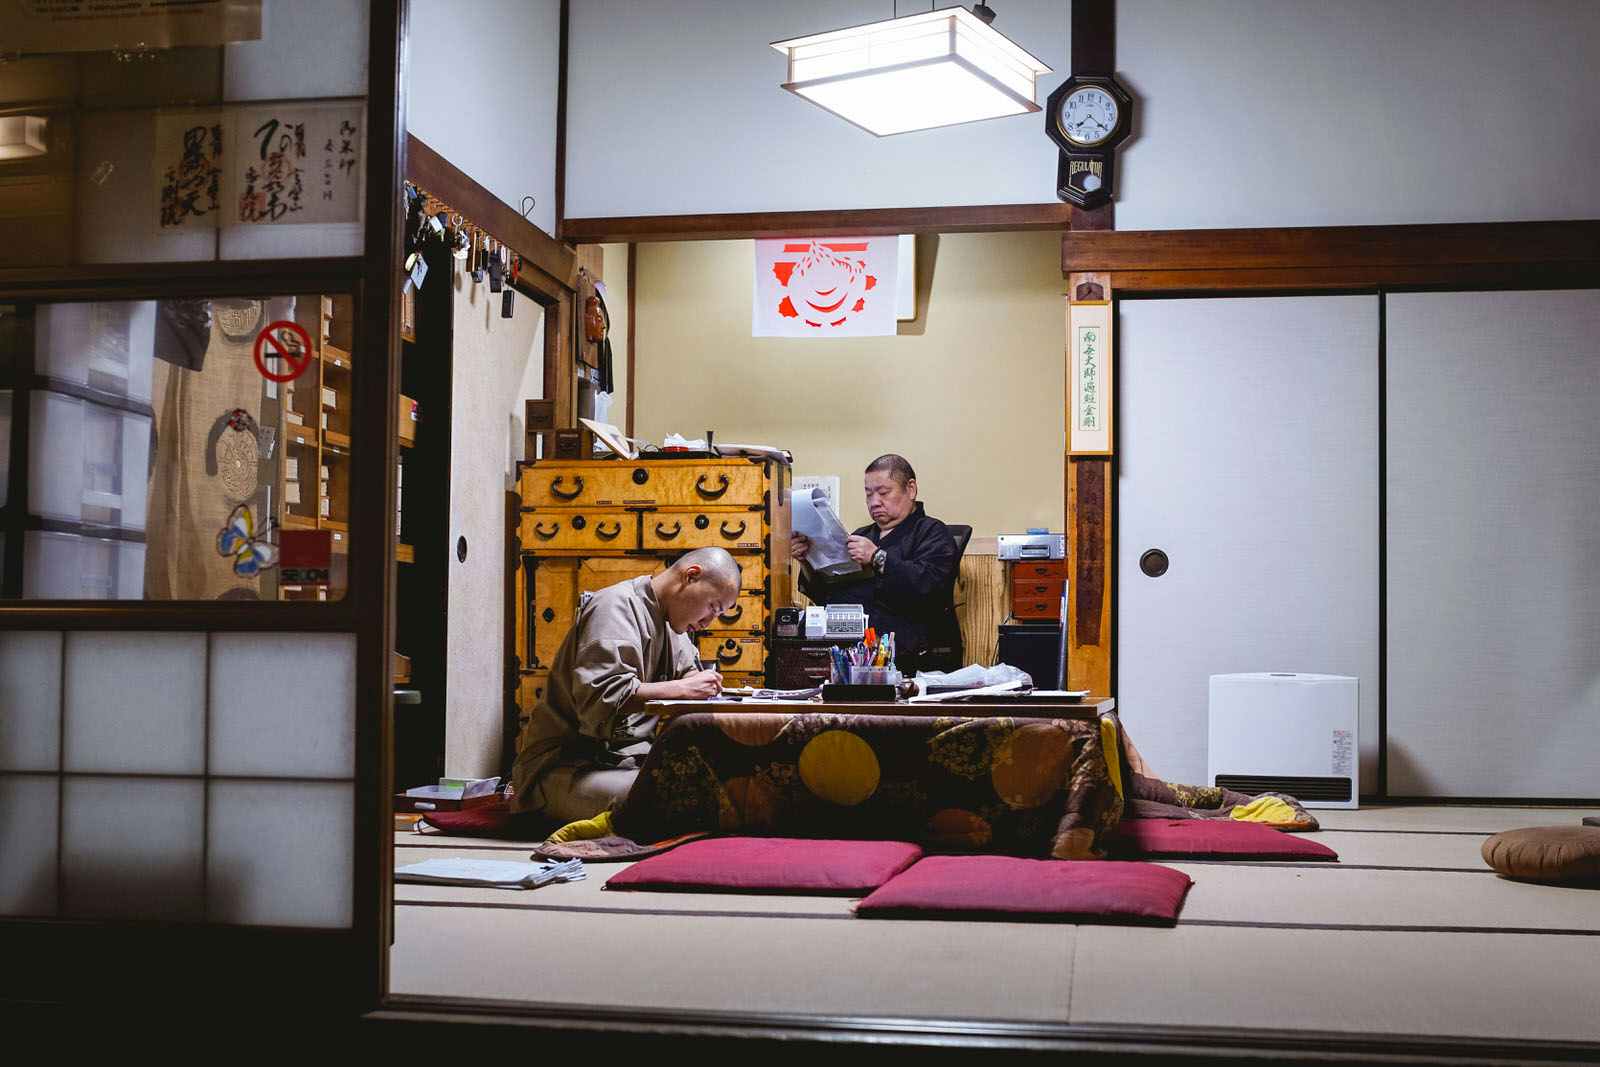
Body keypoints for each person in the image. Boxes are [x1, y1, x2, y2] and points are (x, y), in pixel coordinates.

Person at [509, 547, 741, 823]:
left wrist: (698, 683)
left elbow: (690, 674)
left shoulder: (672, 625)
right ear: (691, 576)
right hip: (567, 766)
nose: (708, 622)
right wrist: (682, 689)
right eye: (713, 607)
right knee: (672, 799)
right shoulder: (616, 606)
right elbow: (603, 695)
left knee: (721, 787)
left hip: (624, 763)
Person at [791, 454, 962, 674]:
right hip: (857, 656)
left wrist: (877, 557)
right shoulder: (861, 535)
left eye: (883, 492)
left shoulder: (932, 532)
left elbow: (928, 585)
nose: (874, 502)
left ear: (910, 489)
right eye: (868, 494)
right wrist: (808, 560)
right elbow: (828, 596)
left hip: (913, 656)